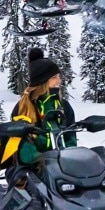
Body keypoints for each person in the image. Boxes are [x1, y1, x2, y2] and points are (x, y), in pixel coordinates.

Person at [10, 49, 77, 177]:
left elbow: (70, 136)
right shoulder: (23, 107)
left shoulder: (63, 105)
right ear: (42, 81)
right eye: (54, 77)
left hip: (63, 168)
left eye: (59, 77)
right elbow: (22, 145)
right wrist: (41, 161)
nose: (59, 81)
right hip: (34, 170)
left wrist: (69, 159)